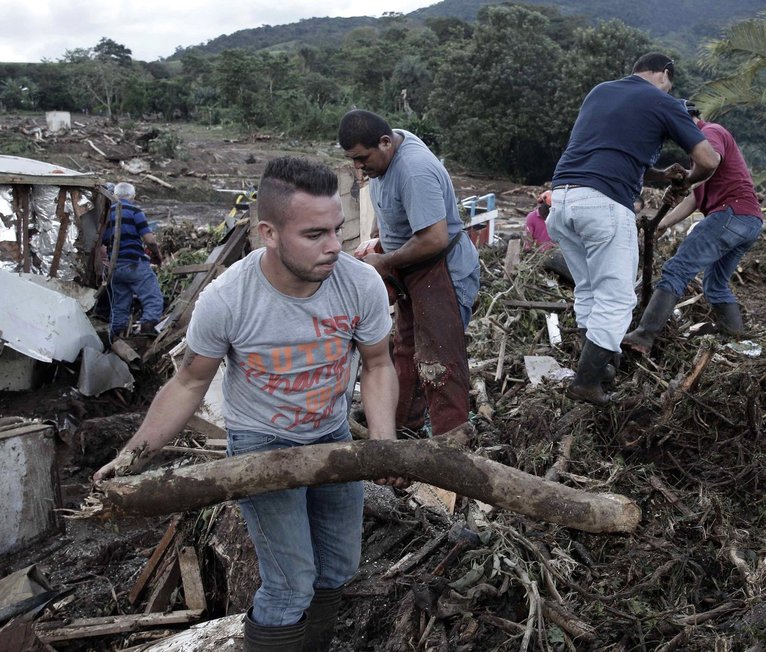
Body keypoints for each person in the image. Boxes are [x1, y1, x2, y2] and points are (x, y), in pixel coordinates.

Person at [94, 157, 403, 651]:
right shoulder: (228, 298)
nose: (334, 247)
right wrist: (133, 457)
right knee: (290, 583)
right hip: (261, 445)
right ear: (269, 234)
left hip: (333, 438)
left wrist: (384, 446)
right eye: (315, 234)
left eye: (338, 230)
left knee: (338, 569)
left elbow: (378, 365)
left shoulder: (360, 283)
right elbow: (189, 383)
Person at [545, 53, 719, 405]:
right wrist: (687, 180)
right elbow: (709, 160)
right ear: (665, 74)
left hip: (563, 201)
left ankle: (599, 367)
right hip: (604, 204)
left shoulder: (600, 91)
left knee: (590, 290)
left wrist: (658, 174)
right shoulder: (663, 100)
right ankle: (587, 382)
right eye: (670, 82)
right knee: (618, 297)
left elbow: (610, 151)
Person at [338, 110, 479, 435]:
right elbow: (388, 208)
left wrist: (385, 262)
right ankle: (404, 439)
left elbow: (434, 238)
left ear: (386, 143)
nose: (358, 167)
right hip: (411, 270)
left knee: (439, 365)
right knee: (405, 355)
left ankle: (451, 454)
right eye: (352, 160)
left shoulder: (414, 170)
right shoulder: (385, 154)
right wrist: (378, 240)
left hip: (441, 271)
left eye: (362, 159)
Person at [622, 100, 762, 353]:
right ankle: (737, 341)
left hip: (731, 213)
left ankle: (643, 336)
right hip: (748, 220)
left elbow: (712, 162)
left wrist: (683, 181)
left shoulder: (710, 133)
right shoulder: (700, 155)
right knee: (715, 285)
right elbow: (695, 198)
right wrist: (663, 222)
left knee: (676, 270)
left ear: (683, 120)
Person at [102, 182, 165, 339]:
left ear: (115, 196)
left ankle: (115, 337)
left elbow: (102, 240)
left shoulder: (106, 214)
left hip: (115, 267)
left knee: (119, 305)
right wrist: (157, 256)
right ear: (133, 197)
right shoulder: (135, 211)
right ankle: (147, 328)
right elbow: (149, 240)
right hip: (134, 264)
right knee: (152, 297)